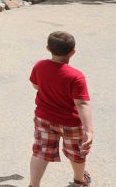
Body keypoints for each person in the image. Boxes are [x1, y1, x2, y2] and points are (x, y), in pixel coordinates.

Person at [28, 31, 94, 187]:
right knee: (76, 152)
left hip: (44, 118)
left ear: (47, 48)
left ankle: (34, 184)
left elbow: (35, 85)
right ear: (73, 52)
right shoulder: (76, 76)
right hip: (70, 122)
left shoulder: (40, 66)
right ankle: (79, 180)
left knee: (41, 151)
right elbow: (82, 104)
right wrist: (89, 129)